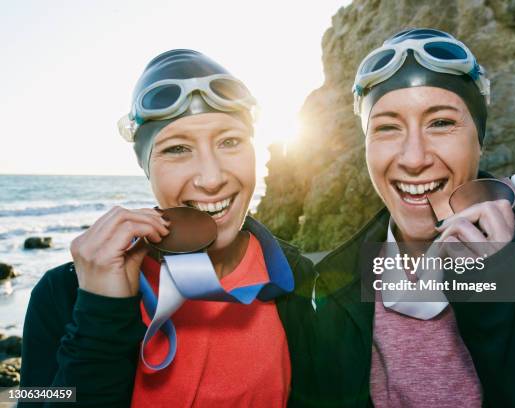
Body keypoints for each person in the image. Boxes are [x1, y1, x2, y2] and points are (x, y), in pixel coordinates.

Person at [310, 28, 515, 407]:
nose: (414, 158)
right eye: (387, 127)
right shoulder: (333, 286)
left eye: (440, 123)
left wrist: (497, 298)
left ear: (480, 138)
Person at [19, 49, 316, 407]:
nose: (211, 178)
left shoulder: (293, 277)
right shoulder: (63, 293)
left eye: (230, 142)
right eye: (177, 149)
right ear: (147, 167)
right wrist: (99, 315)